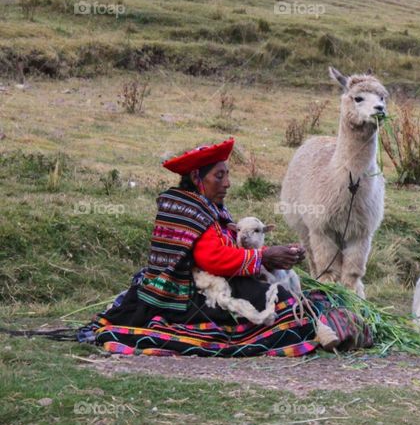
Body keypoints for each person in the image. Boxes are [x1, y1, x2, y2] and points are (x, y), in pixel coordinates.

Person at [80, 138, 373, 356]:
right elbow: (211, 258)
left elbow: (227, 251)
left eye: (227, 174)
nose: (228, 183)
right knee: (283, 307)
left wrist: (268, 258)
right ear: (197, 178)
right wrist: (264, 257)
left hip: (213, 285)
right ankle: (328, 329)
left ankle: (336, 324)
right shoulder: (189, 209)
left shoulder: (206, 207)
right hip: (189, 296)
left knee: (290, 295)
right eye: (219, 176)